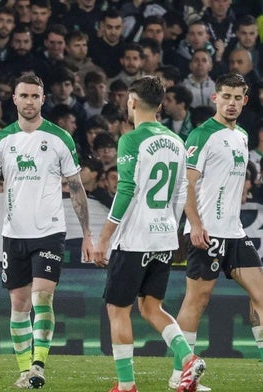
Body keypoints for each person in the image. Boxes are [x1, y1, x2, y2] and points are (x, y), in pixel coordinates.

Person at [0, 73, 94, 389]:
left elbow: (77, 189)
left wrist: (88, 234)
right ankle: (24, 371)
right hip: (14, 234)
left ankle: (38, 366)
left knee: (42, 298)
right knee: (19, 305)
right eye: (23, 96)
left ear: (43, 99)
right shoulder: (2, 140)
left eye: (35, 96)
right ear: (14, 99)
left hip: (50, 231)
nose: (29, 102)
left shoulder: (59, 138)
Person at [92, 76, 206, 392]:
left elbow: (126, 188)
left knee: (118, 309)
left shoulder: (131, 139)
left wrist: (104, 237)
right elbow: (184, 191)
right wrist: (182, 225)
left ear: (131, 101)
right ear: (159, 105)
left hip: (136, 237)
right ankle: (187, 357)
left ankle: (126, 385)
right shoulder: (176, 141)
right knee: (151, 307)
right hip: (165, 236)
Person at [168, 72, 263, 391]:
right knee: (198, 300)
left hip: (234, 231)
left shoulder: (242, 136)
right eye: (227, 97)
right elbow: (186, 185)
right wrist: (194, 224)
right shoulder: (201, 134)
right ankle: (179, 373)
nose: (232, 103)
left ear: (244, 100)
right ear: (215, 98)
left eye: (238, 98)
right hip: (206, 231)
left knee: (261, 294)